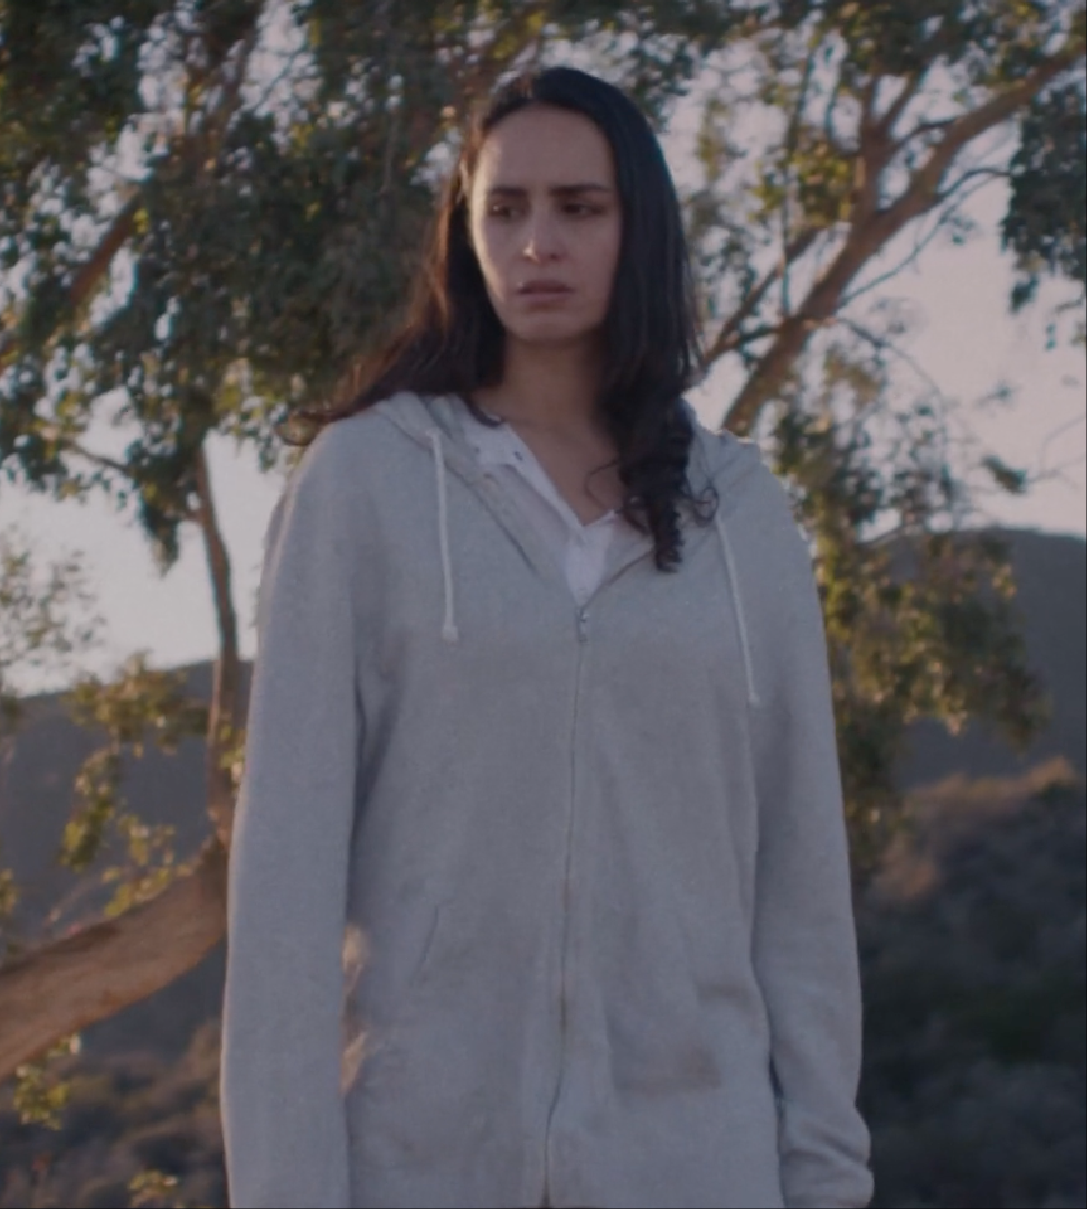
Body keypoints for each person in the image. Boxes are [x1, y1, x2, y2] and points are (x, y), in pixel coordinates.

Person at [219, 65, 873, 1209]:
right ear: (464, 233)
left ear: (638, 229)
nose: (536, 244)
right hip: (424, 1161)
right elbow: (284, 879)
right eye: (504, 209)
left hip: (697, 1167)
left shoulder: (739, 512)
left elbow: (800, 881)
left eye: (578, 207)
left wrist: (824, 1178)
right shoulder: (366, 482)